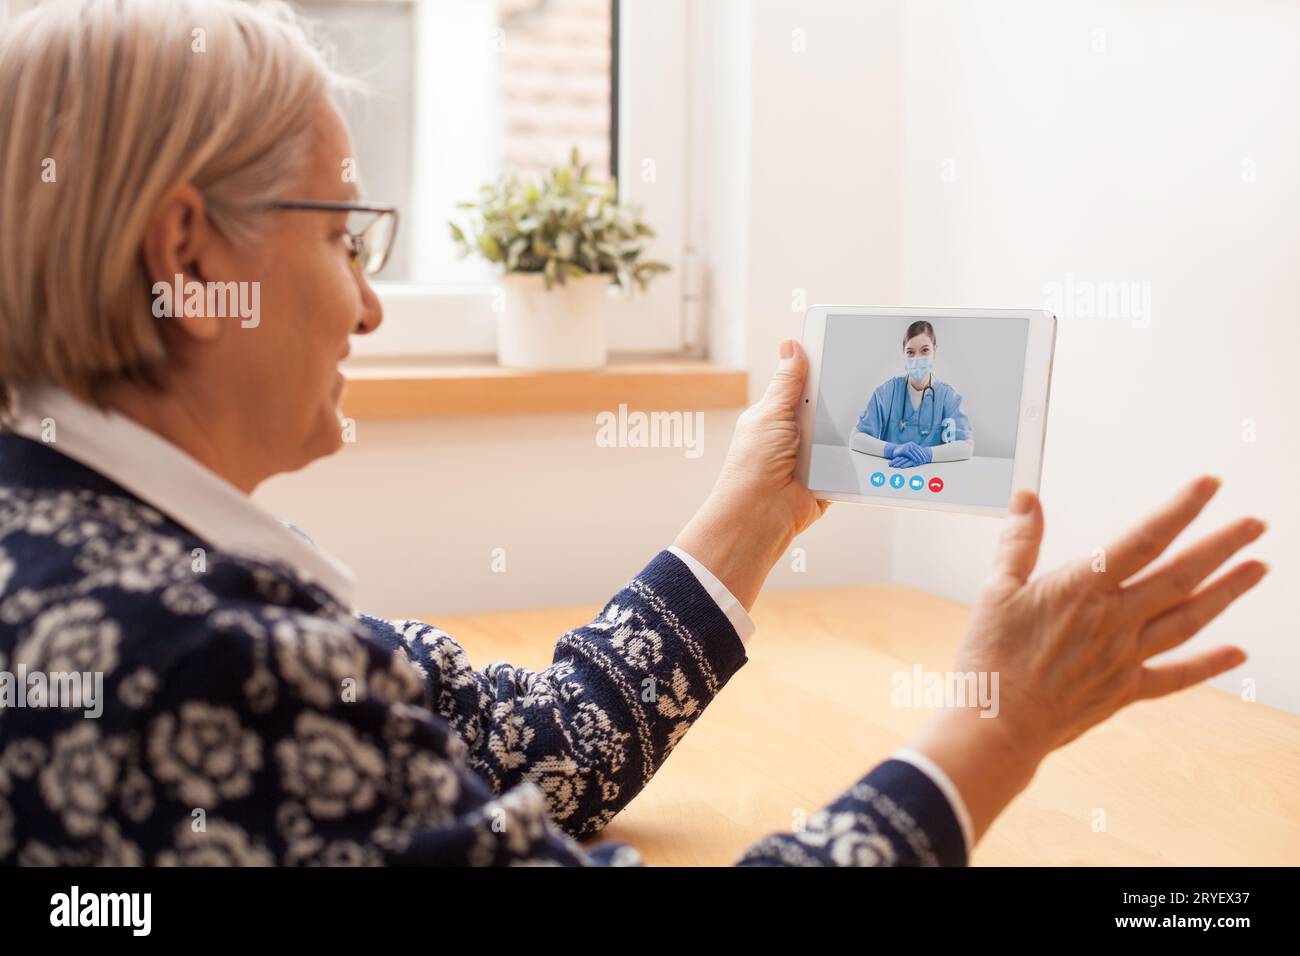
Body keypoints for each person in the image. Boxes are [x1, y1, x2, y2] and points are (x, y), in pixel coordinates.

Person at [0, 0, 1267, 867]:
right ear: (186, 251)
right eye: (344, 235)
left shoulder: (98, 541)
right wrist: (1001, 724)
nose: (372, 300)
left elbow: (532, 755)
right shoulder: (196, 657)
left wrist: (758, 505)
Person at [853, 320, 974, 467]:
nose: (917, 358)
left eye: (925, 350)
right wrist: (893, 450)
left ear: (935, 350)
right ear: (903, 353)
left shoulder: (948, 397)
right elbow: (856, 438)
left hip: (932, 477)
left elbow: (966, 447)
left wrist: (927, 455)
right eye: (910, 352)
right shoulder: (887, 392)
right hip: (891, 472)